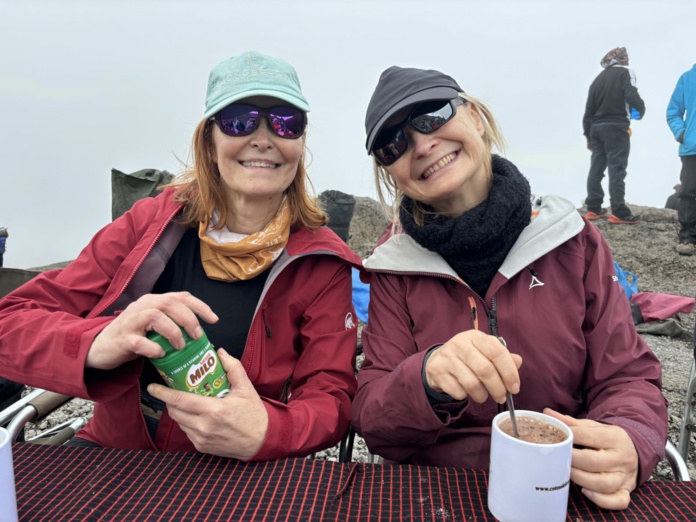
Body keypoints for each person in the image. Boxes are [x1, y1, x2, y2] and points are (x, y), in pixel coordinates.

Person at [0, 51, 362, 461]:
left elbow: (331, 396)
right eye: (238, 120)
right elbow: (9, 323)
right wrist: (100, 340)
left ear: (300, 144)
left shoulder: (322, 262)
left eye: (286, 122)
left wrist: (268, 429)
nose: (264, 138)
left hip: (239, 469)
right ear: (209, 141)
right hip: (116, 452)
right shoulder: (149, 226)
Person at [352, 65, 667, 511]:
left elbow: (627, 375)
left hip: (560, 492)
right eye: (393, 144)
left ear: (477, 118)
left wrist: (632, 439)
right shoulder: (390, 269)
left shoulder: (572, 241)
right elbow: (373, 420)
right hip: (432, 494)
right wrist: (426, 378)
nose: (421, 144)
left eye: (432, 115)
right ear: (393, 172)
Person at [582, 47, 645, 224]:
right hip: (616, 125)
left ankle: (593, 208)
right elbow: (631, 93)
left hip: (596, 127)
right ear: (622, 59)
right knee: (617, 168)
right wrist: (641, 109)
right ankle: (619, 211)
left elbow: (588, 110)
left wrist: (588, 135)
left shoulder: (598, 79)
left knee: (596, 168)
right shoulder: (625, 72)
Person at [667, 64, 696, 255]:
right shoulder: (687, 78)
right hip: (692, 147)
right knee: (688, 191)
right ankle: (688, 238)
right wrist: (681, 133)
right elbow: (673, 111)